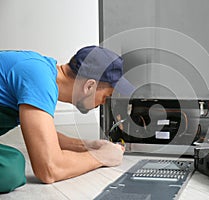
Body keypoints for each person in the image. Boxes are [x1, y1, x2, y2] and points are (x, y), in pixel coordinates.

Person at [0, 46, 134, 193]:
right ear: (89, 86)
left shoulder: (42, 70)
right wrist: (101, 157)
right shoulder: (39, 79)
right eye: (106, 95)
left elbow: (40, 134)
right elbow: (49, 169)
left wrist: (89, 146)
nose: (103, 102)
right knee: (10, 168)